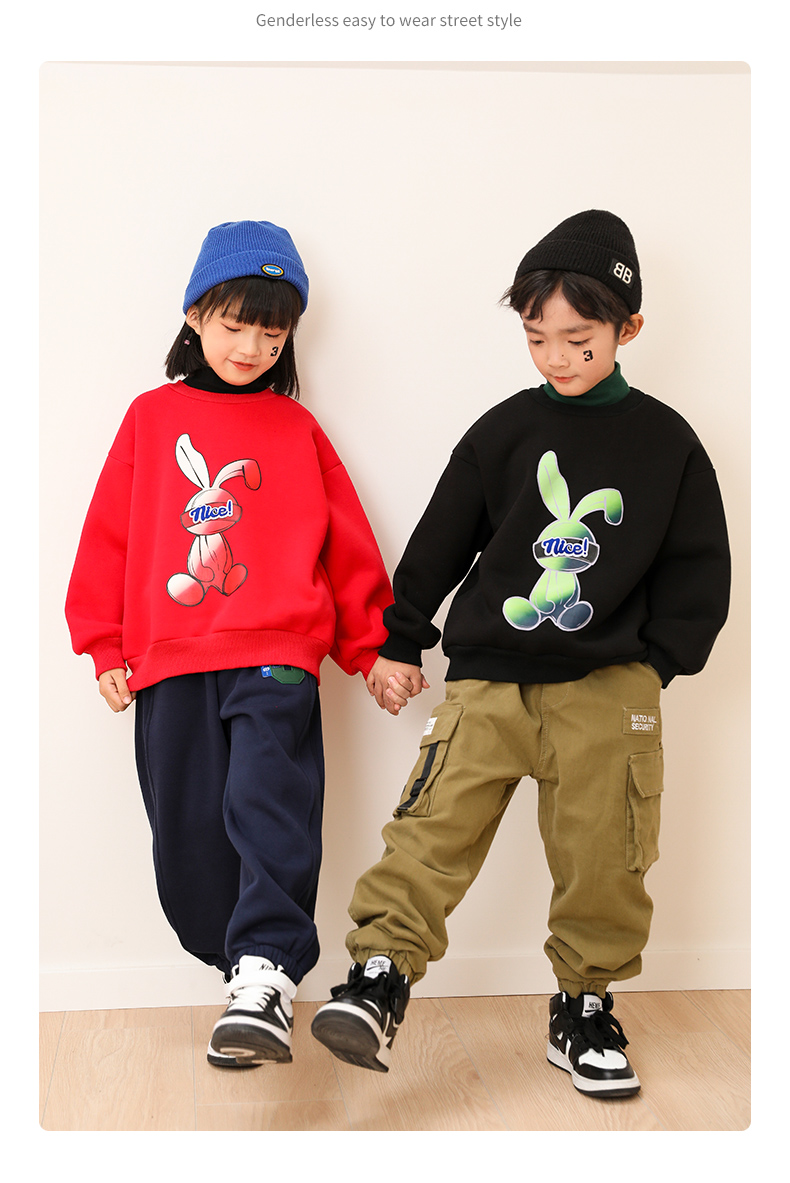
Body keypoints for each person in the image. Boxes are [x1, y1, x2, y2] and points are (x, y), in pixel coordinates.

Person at [310, 210, 731, 1098]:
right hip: (490, 681)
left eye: (578, 340)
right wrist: (400, 636)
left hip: (608, 687)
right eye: (537, 339)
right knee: (431, 827)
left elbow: (699, 566)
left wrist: (653, 665)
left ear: (628, 329)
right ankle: (379, 977)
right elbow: (440, 541)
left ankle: (584, 1006)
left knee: (607, 856)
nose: (556, 359)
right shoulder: (502, 431)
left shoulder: (669, 444)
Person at [66, 220, 393, 1069]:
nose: (251, 347)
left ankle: (265, 970)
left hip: (277, 652)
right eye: (235, 324)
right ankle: (239, 971)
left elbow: (347, 546)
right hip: (171, 657)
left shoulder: (296, 428)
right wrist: (104, 643)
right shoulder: (151, 419)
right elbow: (109, 536)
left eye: (271, 332)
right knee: (187, 834)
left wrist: (372, 647)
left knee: (269, 802)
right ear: (195, 315)